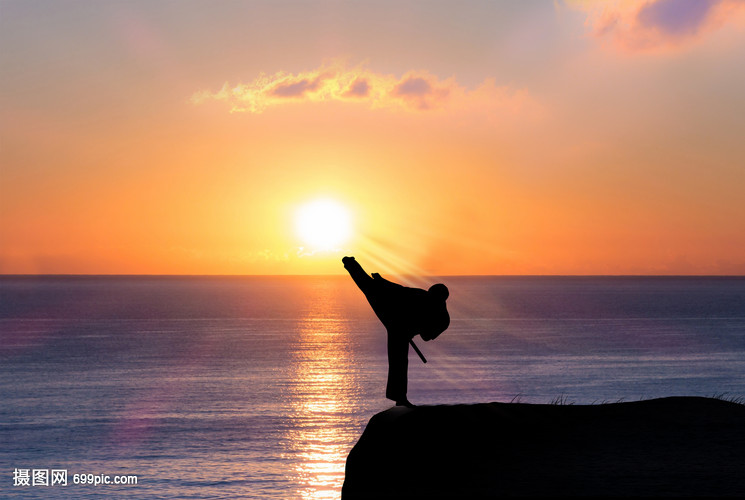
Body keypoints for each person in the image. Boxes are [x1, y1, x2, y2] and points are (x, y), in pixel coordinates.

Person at [342, 256, 449, 407]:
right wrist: (382, 281)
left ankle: (400, 398)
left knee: (399, 361)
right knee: (370, 287)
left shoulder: (443, 319)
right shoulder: (421, 295)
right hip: (392, 313)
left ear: (441, 300)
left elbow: (426, 336)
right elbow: (399, 290)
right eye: (428, 294)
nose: (427, 297)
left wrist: (413, 328)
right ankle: (351, 263)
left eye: (431, 297)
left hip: (400, 329)